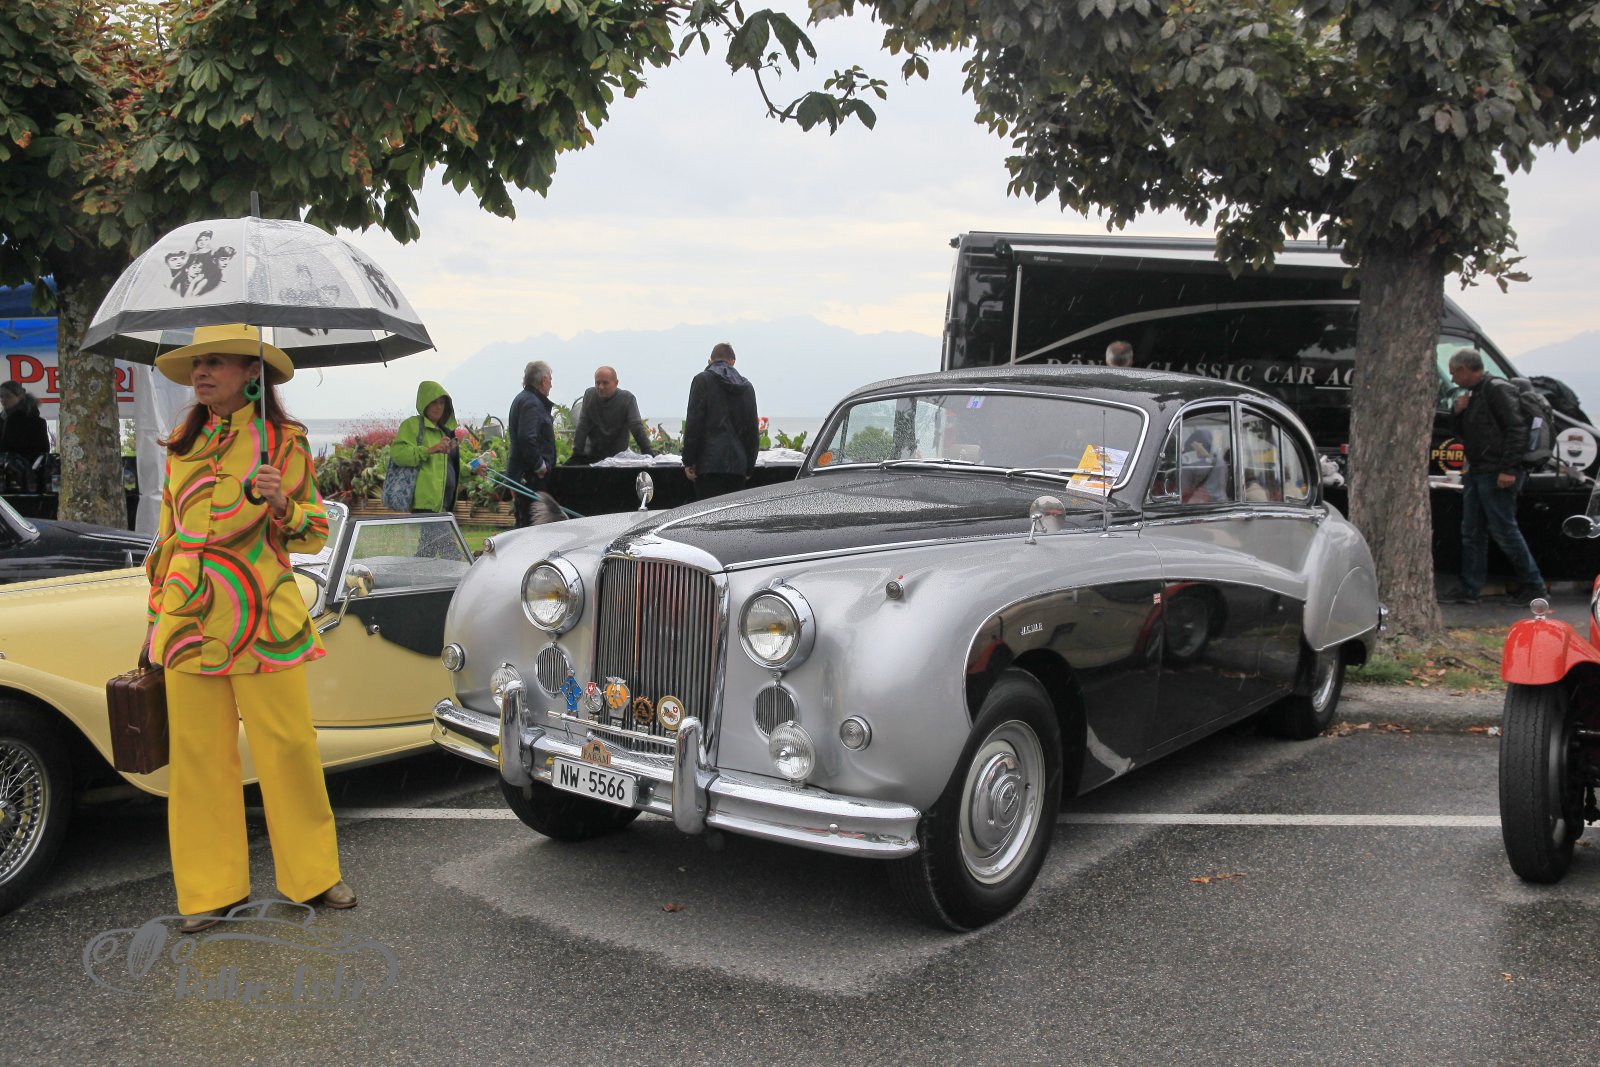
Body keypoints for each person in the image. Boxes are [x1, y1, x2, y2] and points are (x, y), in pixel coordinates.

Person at [142, 323, 353, 933]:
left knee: (288, 748)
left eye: (216, 362)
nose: (201, 373)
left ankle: (314, 875)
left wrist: (281, 502)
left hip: (264, 619)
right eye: (197, 364)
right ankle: (210, 891)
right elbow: (167, 539)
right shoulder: (182, 445)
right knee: (198, 760)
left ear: (251, 372)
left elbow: (315, 532)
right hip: (187, 622)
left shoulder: (284, 443)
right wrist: (155, 618)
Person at [1439, 348, 1548, 605]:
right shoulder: (1475, 394)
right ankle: (1470, 588)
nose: (1452, 379)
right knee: (1472, 531)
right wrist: (1458, 412)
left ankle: (1534, 587)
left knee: (1504, 531)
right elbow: (1463, 432)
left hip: (1495, 472)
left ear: (1465, 370)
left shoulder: (1496, 390)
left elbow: (1516, 429)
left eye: (1454, 373)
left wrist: (1509, 469)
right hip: (1478, 470)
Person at [390, 383, 481, 554]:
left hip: (444, 502)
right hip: (426, 502)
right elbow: (398, 454)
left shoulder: (446, 431)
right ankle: (459, 572)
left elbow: (451, 467)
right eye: (433, 402)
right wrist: (430, 450)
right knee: (451, 554)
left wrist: (472, 470)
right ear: (424, 403)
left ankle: (417, 570)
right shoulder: (412, 426)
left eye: (442, 403)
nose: (438, 407)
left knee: (427, 552)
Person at [683, 342, 758, 500]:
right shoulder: (746, 387)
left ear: (710, 360)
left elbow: (694, 423)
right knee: (732, 514)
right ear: (733, 361)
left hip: (708, 465)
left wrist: (688, 461)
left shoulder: (702, 381)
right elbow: (752, 430)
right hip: (738, 467)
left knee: (709, 513)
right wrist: (749, 466)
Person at [507, 361, 557, 527]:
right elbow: (527, 438)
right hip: (530, 476)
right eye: (550, 379)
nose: (551, 384)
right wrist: (540, 466)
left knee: (525, 523)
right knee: (531, 525)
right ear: (544, 380)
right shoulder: (532, 403)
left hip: (522, 473)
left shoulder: (522, 398)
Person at [570, 365, 654, 462]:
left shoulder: (627, 399)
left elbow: (636, 427)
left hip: (618, 457)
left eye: (605, 383)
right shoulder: (590, 395)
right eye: (597, 383)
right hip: (592, 455)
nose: (601, 387)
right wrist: (576, 453)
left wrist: (648, 453)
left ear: (616, 383)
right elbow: (583, 426)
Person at [0, 380, 50, 491]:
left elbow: (42, 452)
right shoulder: (3, 420)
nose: (3, 400)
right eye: (1, 397)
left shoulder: (35, 422)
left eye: (8, 397)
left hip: (26, 478)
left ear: (20, 397)